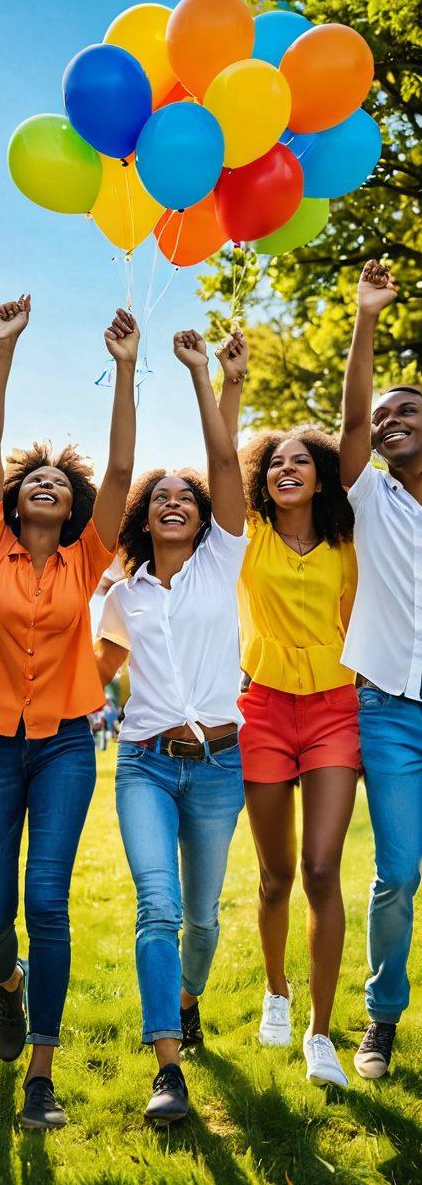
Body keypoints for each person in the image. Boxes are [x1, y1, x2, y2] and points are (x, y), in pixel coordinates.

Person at [0, 296, 137, 1130]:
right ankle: (10, 985)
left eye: (61, 484)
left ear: (73, 509)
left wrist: (127, 370)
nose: (46, 486)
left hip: (65, 742)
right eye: (36, 480)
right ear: (17, 499)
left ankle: (42, 1073)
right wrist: (2, 351)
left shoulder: (86, 559)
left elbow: (125, 475)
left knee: (47, 902)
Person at [95, 328, 247, 1125]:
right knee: (156, 906)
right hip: (147, 765)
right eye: (162, 499)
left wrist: (205, 378)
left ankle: (189, 996)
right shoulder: (123, 597)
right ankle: (168, 1067)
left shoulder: (226, 560)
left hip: (222, 765)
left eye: (185, 497)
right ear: (144, 522)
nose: (177, 502)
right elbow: (92, 678)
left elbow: (226, 467)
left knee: (203, 916)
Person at [218, 339, 360, 1089]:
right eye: (275, 463)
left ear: (322, 474)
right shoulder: (249, 538)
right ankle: (275, 991)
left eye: (300, 461)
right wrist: (229, 385)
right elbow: (218, 465)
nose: (285, 469)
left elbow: (359, 426)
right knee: (274, 876)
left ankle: (321, 1032)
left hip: (336, 709)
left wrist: (362, 324)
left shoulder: (346, 540)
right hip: (264, 710)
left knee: (321, 869)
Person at [339, 260, 419, 1081]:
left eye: (408, 410)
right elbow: (353, 422)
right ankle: (382, 1015)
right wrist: (367, 317)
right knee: (397, 872)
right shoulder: (370, 495)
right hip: (390, 709)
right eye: (385, 414)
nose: (392, 421)